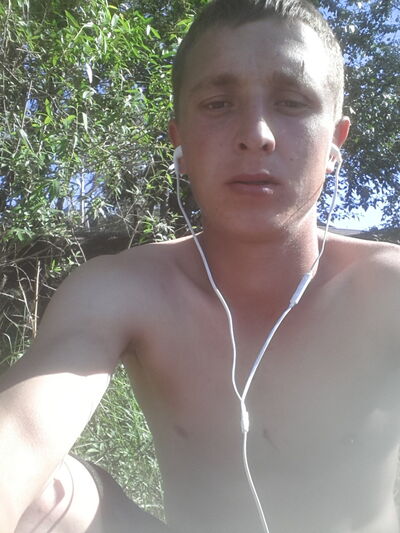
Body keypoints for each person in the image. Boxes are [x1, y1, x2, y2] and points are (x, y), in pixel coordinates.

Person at [1, 0, 399, 532]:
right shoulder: (125, 288)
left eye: (292, 102)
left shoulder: (385, 288)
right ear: (180, 140)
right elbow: (21, 431)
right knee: (46, 494)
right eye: (218, 103)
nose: (256, 133)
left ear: (334, 143)